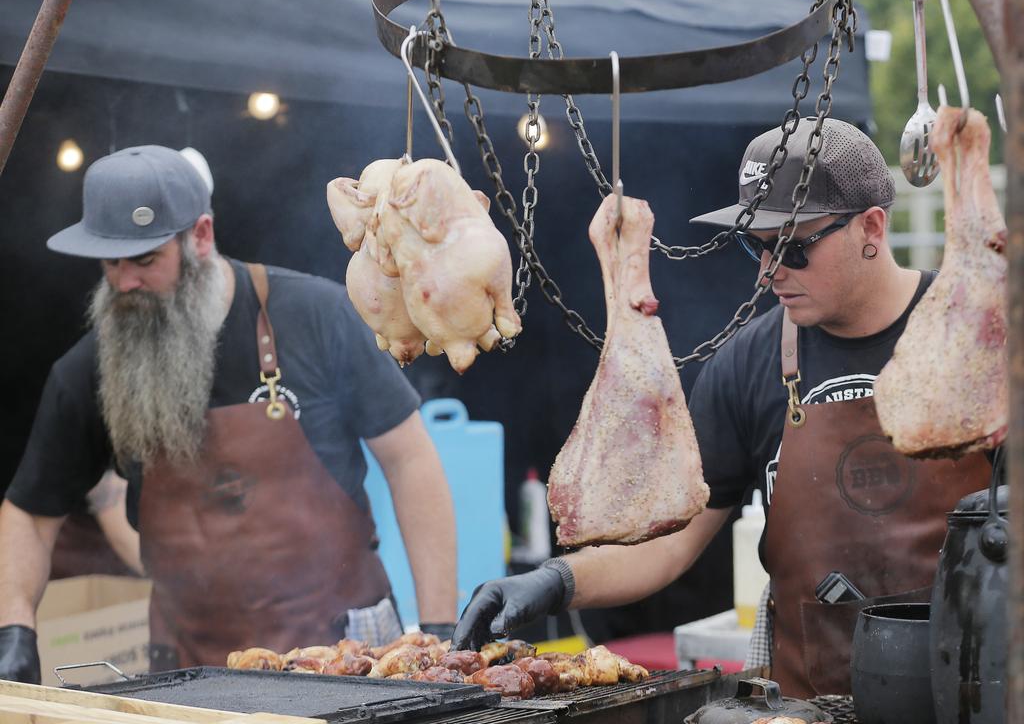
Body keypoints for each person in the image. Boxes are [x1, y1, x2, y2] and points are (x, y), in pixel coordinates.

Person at [451, 118, 991, 698]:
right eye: (754, 245)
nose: (769, 270)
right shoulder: (750, 362)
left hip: (976, 690)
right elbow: (671, 542)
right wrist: (557, 580)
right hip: (812, 705)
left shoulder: (977, 337)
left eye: (792, 246)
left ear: (872, 227)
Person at [0, 145, 457, 682]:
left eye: (146, 260)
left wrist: (441, 628)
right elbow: (30, 514)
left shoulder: (316, 315)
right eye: (111, 262)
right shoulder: (90, 369)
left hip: (346, 656)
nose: (124, 281)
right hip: (192, 667)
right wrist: (15, 631)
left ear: (200, 236)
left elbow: (409, 460)